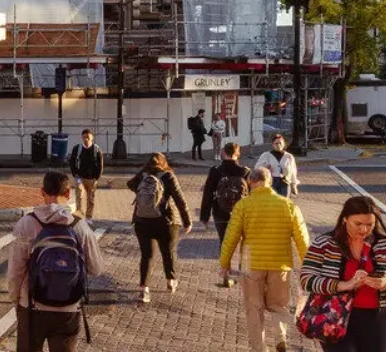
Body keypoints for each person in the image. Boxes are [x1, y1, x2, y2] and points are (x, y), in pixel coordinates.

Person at [8, 171, 106, 352]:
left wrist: (16, 299)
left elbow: (16, 270)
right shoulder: (79, 226)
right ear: (68, 193)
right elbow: (96, 268)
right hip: (68, 309)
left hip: (32, 305)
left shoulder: (27, 224)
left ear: (42, 192)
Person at [299, 196, 386, 352]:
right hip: (333, 315)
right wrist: (343, 285)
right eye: (358, 224)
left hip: (377, 320)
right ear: (345, 219)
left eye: (370, 224)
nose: (364, 230)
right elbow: (306, 280)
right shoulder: (324, 243)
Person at [220, 166, 311, 352]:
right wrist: (307, 264)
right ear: (269, 182)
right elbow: (302, 237)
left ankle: (260, 348)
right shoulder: (288, 205)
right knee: (279, 305)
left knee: (254, 308)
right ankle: (280, 337)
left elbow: (231, 236)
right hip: (281, 262)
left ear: (250, 182)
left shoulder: (243, 206)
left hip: (251, 263)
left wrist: (225, 263)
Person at [125, 152, 191, 303]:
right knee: (168, 252)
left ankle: (143, 289)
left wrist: (143, 185)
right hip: (166, 221)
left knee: (147, 255)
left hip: (142, 221)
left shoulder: (143, 176)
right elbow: (180, 200)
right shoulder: (168, 176)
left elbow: (130, 184)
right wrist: (187, 221)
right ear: (163, 162)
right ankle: (171, 281)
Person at [199, 142, 251, 284]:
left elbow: (208, 193)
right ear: (237, 153)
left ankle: (225, 272)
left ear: (223, 153)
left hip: (220, 211)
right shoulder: (245, 171)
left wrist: (205, 216)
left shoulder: (216, 170)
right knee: (239, 242)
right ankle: (237, 270)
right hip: (240, 213)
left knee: (224, 241)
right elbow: (252, 195)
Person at [66, 129, 104, 220]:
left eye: (88, 137)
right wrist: (75, 174)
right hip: (80, 177)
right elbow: (72, 162)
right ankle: (78, 215)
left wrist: (97, 178)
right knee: (79, 194)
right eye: (84, 137)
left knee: (90, 198)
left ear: (92, 137)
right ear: (82, 138)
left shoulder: (97, 149)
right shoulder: (77, 149)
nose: (86, 139)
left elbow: (100, 165)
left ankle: (88, 217)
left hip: (92, 178)